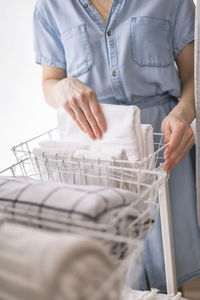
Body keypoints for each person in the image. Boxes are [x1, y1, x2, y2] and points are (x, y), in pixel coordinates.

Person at [33, 0, 200, 292]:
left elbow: (193, 76)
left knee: (188, 281)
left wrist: (183, 114)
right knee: (116, 285)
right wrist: (63, 88)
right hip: (96, 167)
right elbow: (50, 83)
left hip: (167, 153)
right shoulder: (51, 6)